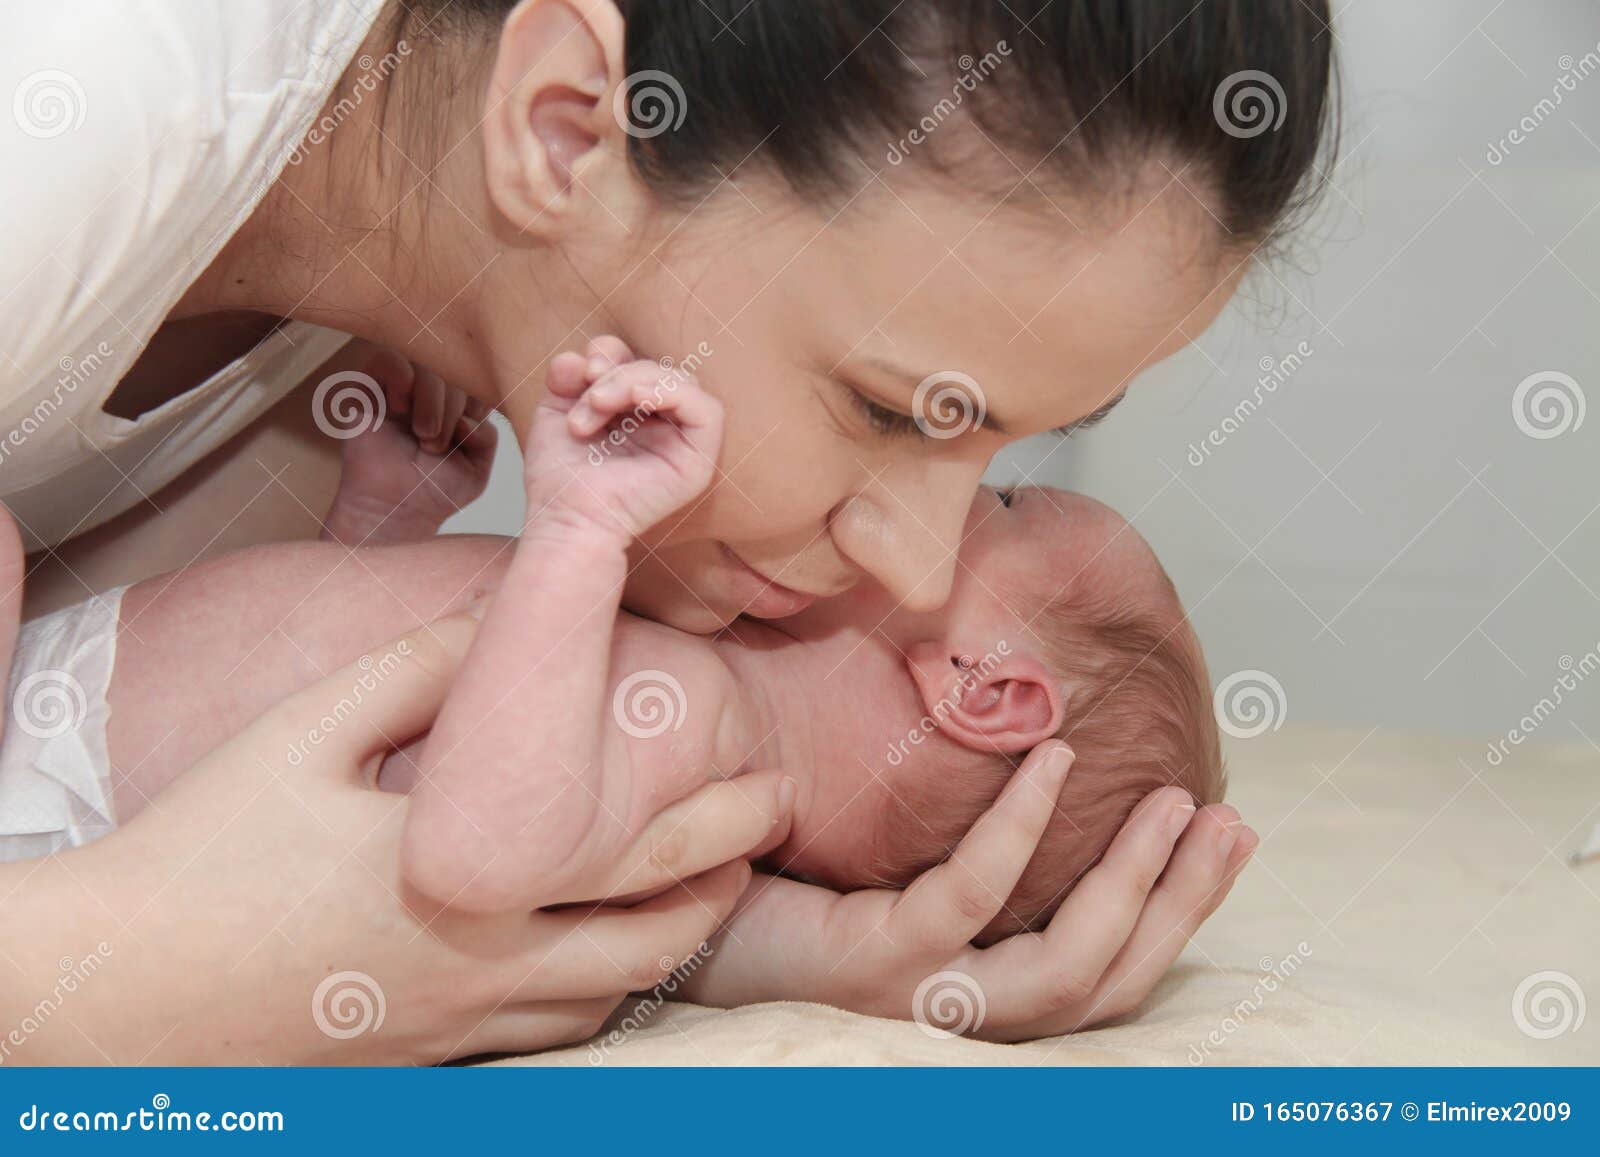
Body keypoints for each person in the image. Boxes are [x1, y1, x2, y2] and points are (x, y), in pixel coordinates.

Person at [0, 1, 1334, 1060]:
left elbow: (215, 736)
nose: (919, 568)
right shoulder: (62, 124)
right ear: (570, 125)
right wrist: (101, 982)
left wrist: (827, 946)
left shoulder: (381, 347)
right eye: (886, 408)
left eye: (1008, 446)